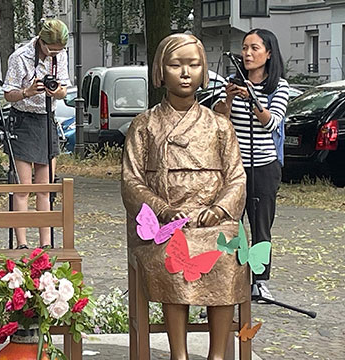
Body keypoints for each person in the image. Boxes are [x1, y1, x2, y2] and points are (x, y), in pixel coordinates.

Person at [122, 34, 248, 359]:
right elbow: (131, 182)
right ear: (161, 71)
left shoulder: (220, 126)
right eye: (176, 65)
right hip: (165, 225)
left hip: (212, 222)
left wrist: (220, 209)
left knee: (228, 257)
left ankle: (217, 354)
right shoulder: (144, 125)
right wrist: (162, 209)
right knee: (174, 256)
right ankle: (179, 353)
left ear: (203, 70)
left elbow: (236, 177)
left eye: (193, 64)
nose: (185, 72)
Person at [213, 29, 289, 302]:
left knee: (261, 225)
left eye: (254, 48)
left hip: (264, 166)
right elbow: (220, 120)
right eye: (244, 48)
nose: (247, 54)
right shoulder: (234, 82)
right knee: (230, 224)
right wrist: (231, 98)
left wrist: (251, 98)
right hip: (234, 167)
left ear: (269, 54)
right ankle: (227, 276)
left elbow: (271, 122)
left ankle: (260, 281)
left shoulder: (279, 86)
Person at [2, 19, 71, 249]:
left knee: (45, 186)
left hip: (46, 119)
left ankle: (46, 244)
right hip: (23, 119)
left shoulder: (60, 55)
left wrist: (56, 91)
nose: (54, 53)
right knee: (23, 187)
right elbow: (8, 94)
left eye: (58, 50)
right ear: (41, 41)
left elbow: (63, 91)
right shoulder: (20, 56)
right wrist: (26, 91)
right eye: (51, 49)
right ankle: (22, 244)